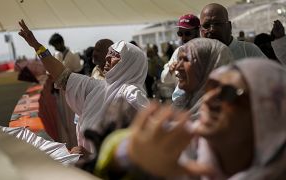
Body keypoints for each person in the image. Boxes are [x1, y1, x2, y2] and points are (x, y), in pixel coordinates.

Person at [96, 59, 286, 179]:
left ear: (269, 113)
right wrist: (130, 155)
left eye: (228, 93)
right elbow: (119, 147)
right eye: (211, 87)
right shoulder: (180, 148)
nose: (209, 99)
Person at [18, 20, 149, 153]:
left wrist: (92, 157)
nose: (108, 57)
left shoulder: (131, 94)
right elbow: (61, 75)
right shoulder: (97, 87)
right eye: (109, 53)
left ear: (128, 64)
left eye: (115, 55)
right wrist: (37, 46)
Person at [171, 38, 233, 115]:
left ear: (208, 67)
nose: (178, 67)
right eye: (179, 59)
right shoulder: (181, 104)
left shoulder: (219, 117)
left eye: (186, 59)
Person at [200, 3, 266, 60]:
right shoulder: (197, 56)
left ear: (229, 26)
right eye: (206, 25)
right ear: (200, 29)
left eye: (218, 24)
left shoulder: (249, 51)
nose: (212, 29)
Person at [160, 14, 200, 85]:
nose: (183, 38)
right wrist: (170, 70)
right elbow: (165, 80)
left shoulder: (207, 50)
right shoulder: (179, 51)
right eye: (180, 33)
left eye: (187, 33)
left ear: (197, 32)